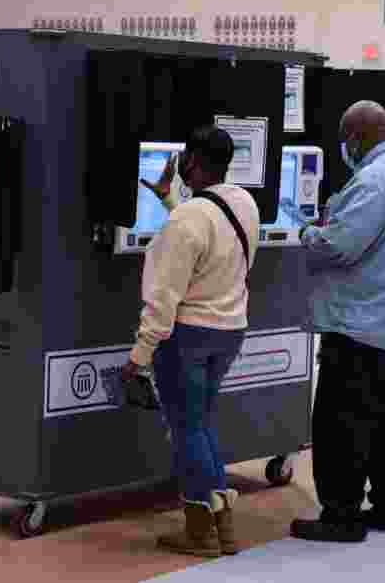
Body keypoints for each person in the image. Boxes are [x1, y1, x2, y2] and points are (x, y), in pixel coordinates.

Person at [290, 100, 385, 543]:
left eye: (344, 138)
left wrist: (305, 232)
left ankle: (342, 515)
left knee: (342, 422)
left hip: (362, 324)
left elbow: (338, 246)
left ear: (355, 137)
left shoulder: (373, 181)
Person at [121, 125, 260, 558]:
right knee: (199, 425)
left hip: (187, 338)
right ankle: (224, 529)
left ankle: (201, 532)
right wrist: (168, 199)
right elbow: (206, 235)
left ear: (193, 162)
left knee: (186, 431)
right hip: (229, 331)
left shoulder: (187, 220)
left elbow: (163, 300)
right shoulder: (243, 203)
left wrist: (137, 357)